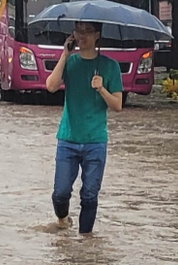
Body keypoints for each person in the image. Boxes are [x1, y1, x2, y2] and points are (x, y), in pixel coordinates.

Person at [46, 21, 123, 235]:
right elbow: (51, 86)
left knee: (89, 195)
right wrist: (64, 54)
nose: (82, 36)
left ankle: (85, 241)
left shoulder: (109, 67)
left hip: (95, 141)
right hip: (68, 139)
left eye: (87, 31)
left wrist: (102, 89)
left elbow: (117, 105)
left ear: (97, 35)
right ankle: (63, 220)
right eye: (78, 31)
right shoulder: (69, 63)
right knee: (60, 193)